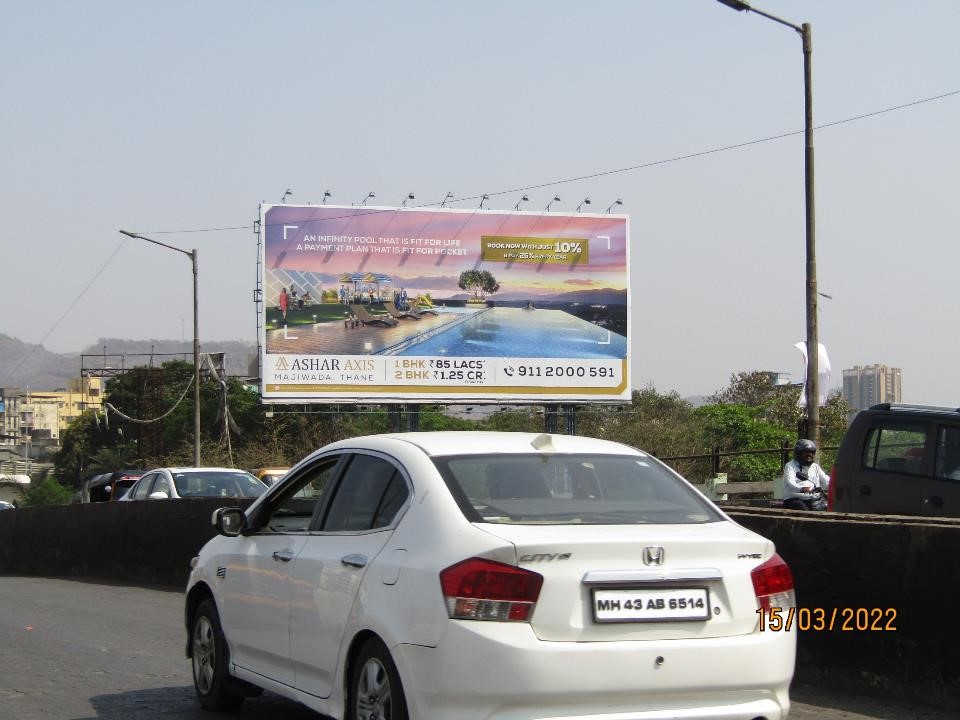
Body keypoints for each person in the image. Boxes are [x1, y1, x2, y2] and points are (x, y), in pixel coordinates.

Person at [782, 439, 830, 510]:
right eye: (806, 452)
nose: (809, 455)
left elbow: (826, 480)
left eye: (812, 452)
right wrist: (802, 489)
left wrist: (835, 484)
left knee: (829, 506)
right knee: (802, 509)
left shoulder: (815, 466)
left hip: (814, 499)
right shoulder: (790, 466)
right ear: (798, 453)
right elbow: (790, 483)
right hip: (795, 499)